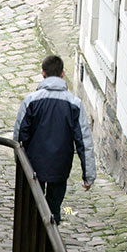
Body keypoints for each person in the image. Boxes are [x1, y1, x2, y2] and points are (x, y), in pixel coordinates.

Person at [13, 54, 96, 225]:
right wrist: (88, 175)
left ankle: (31, 240)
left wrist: (19, 162)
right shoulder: (75, 104)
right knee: (54, 207)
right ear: (63, 74)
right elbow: (84, 141)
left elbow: (20, 135)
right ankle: (50, 243)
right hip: (60, 166)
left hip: (33, 164)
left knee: (32, 205)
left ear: (43, 74)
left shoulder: (31, 101)